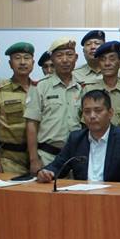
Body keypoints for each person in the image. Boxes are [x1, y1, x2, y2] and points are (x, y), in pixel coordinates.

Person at [36, 89, 120, 183]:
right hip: (83, 198)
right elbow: (57, 166)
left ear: (110, 113)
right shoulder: (76, 139)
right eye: (87, 111)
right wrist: (47, 172)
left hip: (114, 199)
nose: (92, 116)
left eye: (98, 111)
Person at [24, 37, 83, 173]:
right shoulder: (40, 86)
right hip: (47, 156)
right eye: (59, 55)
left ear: (76, 57)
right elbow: (31, 124)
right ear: (52, 59)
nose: (65, 60)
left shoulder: (82, 87)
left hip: (75, 157)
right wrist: (34, 159)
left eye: (69, 55)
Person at [0, 42, 36, 174]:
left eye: (27, 58)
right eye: (17, 58)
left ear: (33, 63)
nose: (22, 62)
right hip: (9, 158)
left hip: (38, 156)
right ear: (10, 64)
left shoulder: (40, 89)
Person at [82, 41, 120, 130]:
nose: (107, 63)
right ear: (99, 63)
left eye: (112, 59)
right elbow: (83, 119)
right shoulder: (88, 88)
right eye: (102, 59)